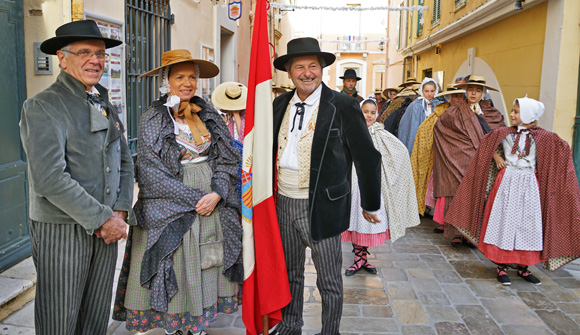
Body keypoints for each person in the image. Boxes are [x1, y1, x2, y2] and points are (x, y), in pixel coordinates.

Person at [112, 49, 242, 334]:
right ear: (165, 81)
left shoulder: (208, 113)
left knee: (205, 261)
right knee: (177, 263)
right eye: (180, 77)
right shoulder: (152, 118)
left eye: (192, 77)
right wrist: (196, 199)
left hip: (212, 198)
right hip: (171, 202)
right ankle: (175, 324)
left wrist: (218, 193)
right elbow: (149, 171)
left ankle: (196, 325)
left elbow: (227, 157)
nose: (188, 83)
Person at [19, 20, 134, 334]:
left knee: (95, 318)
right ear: (62, 57)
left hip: (106, 226)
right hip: (62, 230)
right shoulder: (43, 105)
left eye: (100, 54)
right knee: (60, 319)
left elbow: (123, 159)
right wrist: (103, 219)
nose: (95, 60)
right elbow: (49, 178)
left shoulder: (103, 101)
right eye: (84, 52)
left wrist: (121, 210)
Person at [271, 37, 381, 335]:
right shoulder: (279, 104)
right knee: (290, 273)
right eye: (299, 67)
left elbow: (367, 157)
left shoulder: (342, 105)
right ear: (289, 72)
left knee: (329, 279)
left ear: (322, 69)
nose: (307, 73)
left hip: (323, 206)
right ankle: (291, 326)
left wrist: (369, 203)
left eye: (313, 66)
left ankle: (330, 331)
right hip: (283, 202)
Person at [445, 96, 580, 284]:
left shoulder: (544, 137)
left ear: (528, 115)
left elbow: (561, 151)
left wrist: (542, 166)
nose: (512, 114)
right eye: (512, 110)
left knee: (527, 224)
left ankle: (524, 267)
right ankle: (501, 266)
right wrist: (496, 157)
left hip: (529, 185)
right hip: (507, 182)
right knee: (504, 222)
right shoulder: (504, 132)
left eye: (516, 112)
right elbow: (485, 144)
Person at [341, 99, 420, 276]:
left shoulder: (381, 133)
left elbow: (399, 151)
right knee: (355, 218)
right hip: (354, 183)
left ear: (376, 114)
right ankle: (358, 258)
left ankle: (362, 258)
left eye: (371, 112)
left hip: (373, 185)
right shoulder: (350, 131)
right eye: (365, 111)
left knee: (368, 223)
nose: (368, 115)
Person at [432, 76, 505, 246]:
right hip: (458, 162)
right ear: (465, 90)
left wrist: (491, 152)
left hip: (482, 164)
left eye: (478, 90)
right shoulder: (453, 112)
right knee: (457, 196)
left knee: (478, 197)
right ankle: (457, 233)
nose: (473, 93)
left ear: (483, 93)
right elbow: (441, 132)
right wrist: (455, 152)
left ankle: (472, 234)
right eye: (471, 89)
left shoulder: (492, 114)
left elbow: (499, 136)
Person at [410, 84, 465, 220]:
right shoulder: (441, 112)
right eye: (455, 96)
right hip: (443, 156)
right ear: (449, 97)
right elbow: (424, 129)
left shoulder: (468, 112)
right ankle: (441, 217)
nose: (458, 99)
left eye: (460, 96)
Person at [211, 81, 247, 203]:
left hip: (242, 160)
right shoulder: (226, 116)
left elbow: (242, 137)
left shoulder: (244, 115)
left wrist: (236, 112)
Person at [398, 77, 443, 155]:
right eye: (426, 91)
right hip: (418, 141)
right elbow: (405, 126)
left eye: (432, 91)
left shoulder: (439, 105)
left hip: (434, 141)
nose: (429, 94)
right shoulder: (415, 105)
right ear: (422, 91)